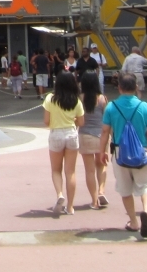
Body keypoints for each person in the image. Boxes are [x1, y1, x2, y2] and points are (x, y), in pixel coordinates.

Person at [99, 72, 147, 237]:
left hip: (119, 153)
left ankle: (133, 221)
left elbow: (105, 132)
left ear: (119, 88)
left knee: (125, 189)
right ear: (136, 87)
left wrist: (102, 151)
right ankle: (146, 211)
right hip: (141, 152)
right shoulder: (144, 107)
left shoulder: (111, 107)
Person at [43, 71, 84, 216]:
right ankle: (71, 206)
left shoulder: (50, 99)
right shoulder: (76, 101)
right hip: (71, 133)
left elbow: (46, 122)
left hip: (56, 134)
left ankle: (60, 194)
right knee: (71, 171)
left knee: (56, 170)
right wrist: (71, 120)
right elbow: (81, 122)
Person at [78, 70, 109, 210]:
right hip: (100, 136)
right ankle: (102, 191)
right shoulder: (102, 99)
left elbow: (78, 118)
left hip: (85, 135)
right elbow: (108, 120)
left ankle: (94, 200)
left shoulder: (80, 98)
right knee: (101, 165)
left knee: (89, 170)